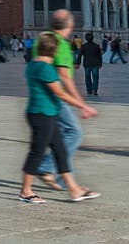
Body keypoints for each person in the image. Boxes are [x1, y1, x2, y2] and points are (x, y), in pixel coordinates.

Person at [17, 31, 99, 205]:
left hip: (47, 113)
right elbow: (60, 93)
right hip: (41, 114)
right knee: (37, 152)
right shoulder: (45, 68)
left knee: (60, 153)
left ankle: (74, 190)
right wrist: (83, 106)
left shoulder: (33, 64)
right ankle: (26, 191)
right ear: (54, 51)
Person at [35, 11, 84, 183]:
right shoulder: (60, 44)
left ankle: (63, 180)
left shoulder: (41, 40)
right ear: (70, 26)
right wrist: (81, 103)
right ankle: (47, 167)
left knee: (62, 137)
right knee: (74, 133)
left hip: (41, 96)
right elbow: (64, 76)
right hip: (56, 97)